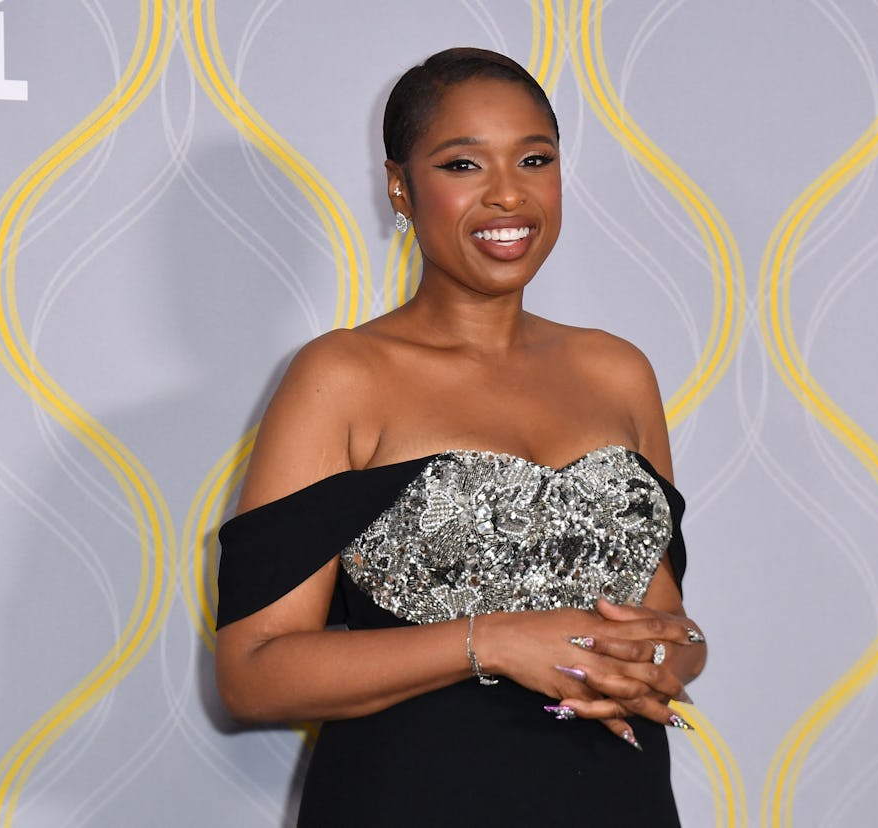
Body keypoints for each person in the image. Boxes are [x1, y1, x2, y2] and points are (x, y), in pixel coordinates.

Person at [214, 47, 707, 827]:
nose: (508, 194)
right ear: (400, 188)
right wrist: (492, 641)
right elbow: (254, 671)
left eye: (534, 159)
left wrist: (675, 655)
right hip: (412, 798)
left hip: (618, 799)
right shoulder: (342, 375)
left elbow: (663, 621)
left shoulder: (618, 371)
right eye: (463, 165)